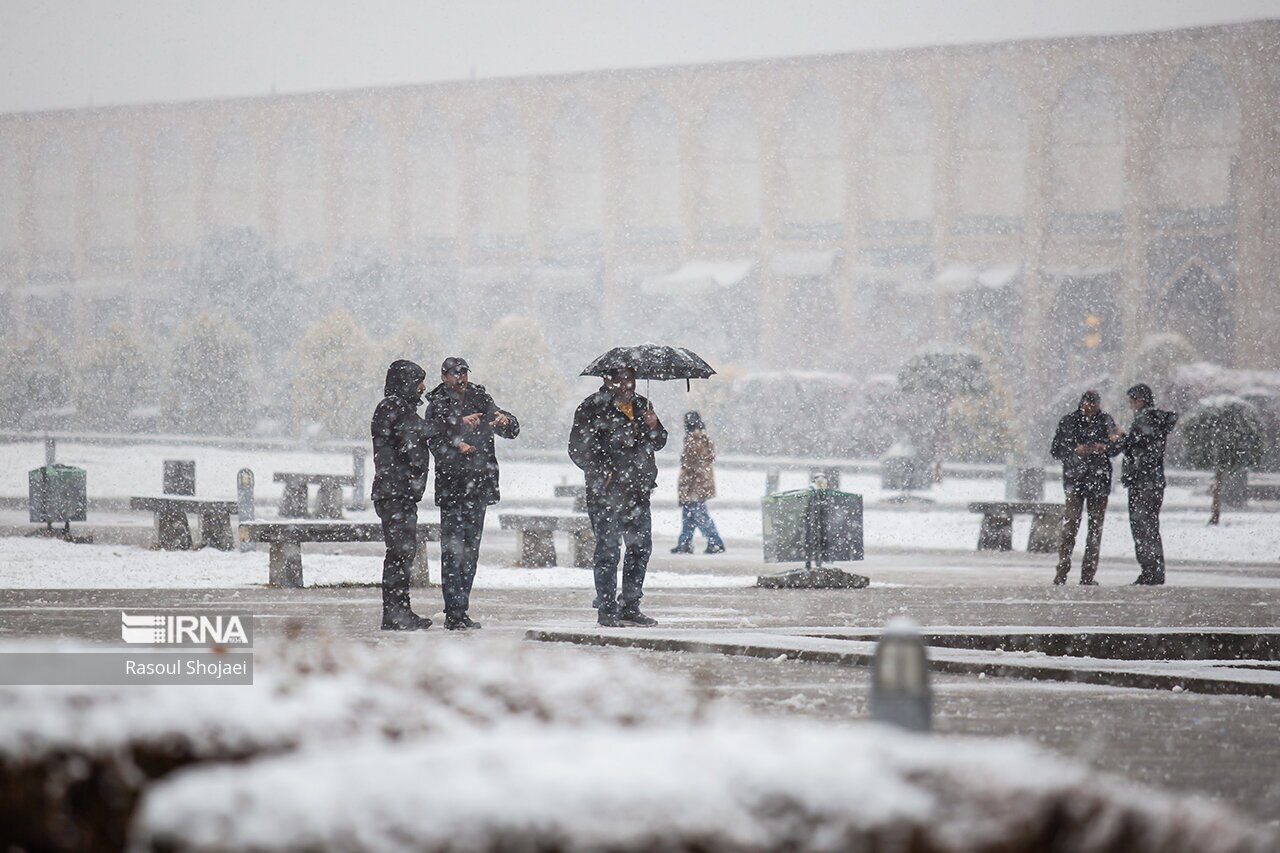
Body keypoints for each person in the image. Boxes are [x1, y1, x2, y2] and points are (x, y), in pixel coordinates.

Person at [568, 367, 667, 627]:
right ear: (606, 379)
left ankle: (630, 605)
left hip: (638, 491)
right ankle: (607, 608)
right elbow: (578, 449)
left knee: (640, 548)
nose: (626, 385)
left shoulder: (642, 405)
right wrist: (604, 472)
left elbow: (659, 442)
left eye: (630, 379)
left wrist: (654, 426)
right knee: (608, 550)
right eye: (620, 379)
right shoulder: (592, 407)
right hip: (606, 493)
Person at [425, 356, 519, 630]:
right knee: (453, 551)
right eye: (455, 374)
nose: (461, 378)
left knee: (470, 552)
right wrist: (457, 439)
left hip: (479, 485)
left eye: (463, 372)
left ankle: (461, 608)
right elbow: (433, 440)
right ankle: (453, 612)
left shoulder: (480, 397)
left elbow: (510, 428)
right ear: (444, 376)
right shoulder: (437, 405)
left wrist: (505, 421)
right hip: (453, 487)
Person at [370, 359, 441, 630]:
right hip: (394, 493)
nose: (422, 387)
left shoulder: (399, 408)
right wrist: (456, 422)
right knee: (400, 553)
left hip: (400, 493)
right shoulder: (393, 407)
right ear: (404, 383)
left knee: (403, 553)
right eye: (418, 381)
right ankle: (395, 613)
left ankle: (399, 610)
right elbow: (422, 430)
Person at [1049, 390, 1120, 585]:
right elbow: (1056, 450)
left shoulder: (1105, 421)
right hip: (1078, 480)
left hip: (1095, 481)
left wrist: (1105, 447)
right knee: (1071, 528)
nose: (1090, 408)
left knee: (1093, 529)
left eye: (1094, 405)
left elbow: (1116, 446)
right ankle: (1062, 572)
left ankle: (1087, 575)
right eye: (1088, 404)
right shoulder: (1069, 421)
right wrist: (1075, 450)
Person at [1114, 383, 1179, 585]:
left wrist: (1122, 439)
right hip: (1154, 481)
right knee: (1150, 526)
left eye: (1132, 401)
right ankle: (1154, 570)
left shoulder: (1144, 420)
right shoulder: (1156, 420)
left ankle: (1151, 571)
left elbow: (1137, 449)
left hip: (1143, 482)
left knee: (1142, 528)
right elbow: (1145, 447)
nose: (1131, 406)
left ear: (1140, 400)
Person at [671, 411, 725, 554]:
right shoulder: (702, 439)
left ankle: (715, 542)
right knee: (689, 516)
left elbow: (692, 467)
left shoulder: (693, 440)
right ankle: (685, 543)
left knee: (699, 516)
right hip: (699, 484)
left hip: (694, 486)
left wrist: (687, 486)